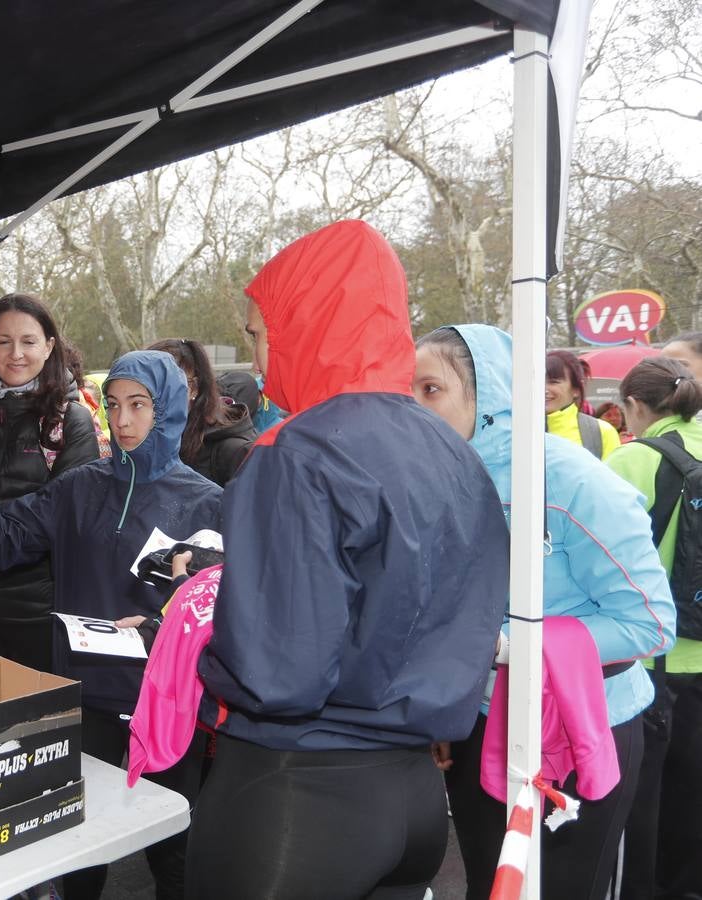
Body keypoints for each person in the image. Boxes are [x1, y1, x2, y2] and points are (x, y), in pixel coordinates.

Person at [186, 220, 511, 900]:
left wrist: (193, 647)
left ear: (309, 320)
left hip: (297, 794)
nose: (259, 355)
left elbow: (278, 672)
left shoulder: (297, 452)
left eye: (257, 332)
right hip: (414, 796)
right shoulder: (453, 449)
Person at [0, 349, 222, 900]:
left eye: (140, 406)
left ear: (167, 409)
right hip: (87, 691)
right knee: (80, 842)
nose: (122, 421)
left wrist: (162, 620)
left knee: (173, 844)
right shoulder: (80, 487)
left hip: (163, 700)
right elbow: (6, 539)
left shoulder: (207, 502)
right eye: (115, 404)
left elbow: (219, 607)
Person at [413, 325, 675, 900]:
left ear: (492, 393)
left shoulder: (567, 480)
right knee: (492, 884)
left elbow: (651, 622)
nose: (416, 407)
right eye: (410, 390)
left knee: (561, 889)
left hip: (586, 726)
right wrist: (448, 712)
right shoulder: (437, 482)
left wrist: (504, 645)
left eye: (431, 389)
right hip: (483, 722)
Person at [0, 293, 99, 672]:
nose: (16, 354)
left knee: (36, 728)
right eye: (3, 341)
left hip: (38, 614)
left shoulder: (70, 421)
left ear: (49, 346)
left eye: (28, 341)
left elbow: (65, 519)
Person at [606, 357, 702, 900]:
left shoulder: (633, 459)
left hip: (652, 664)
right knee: (694, 801)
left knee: (639, 807)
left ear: (636, 407)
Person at [148, 338, 254, 486]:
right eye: (146, 385)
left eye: (169, 385)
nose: (155, 396)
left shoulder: (234, 452)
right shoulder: (141, 444)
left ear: (194, 388)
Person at [547, 348, 620, 460]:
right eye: (537, 380)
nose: (544, 389)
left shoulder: (601, 432)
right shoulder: (514, 430)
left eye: (553, 382)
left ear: (576, 389)